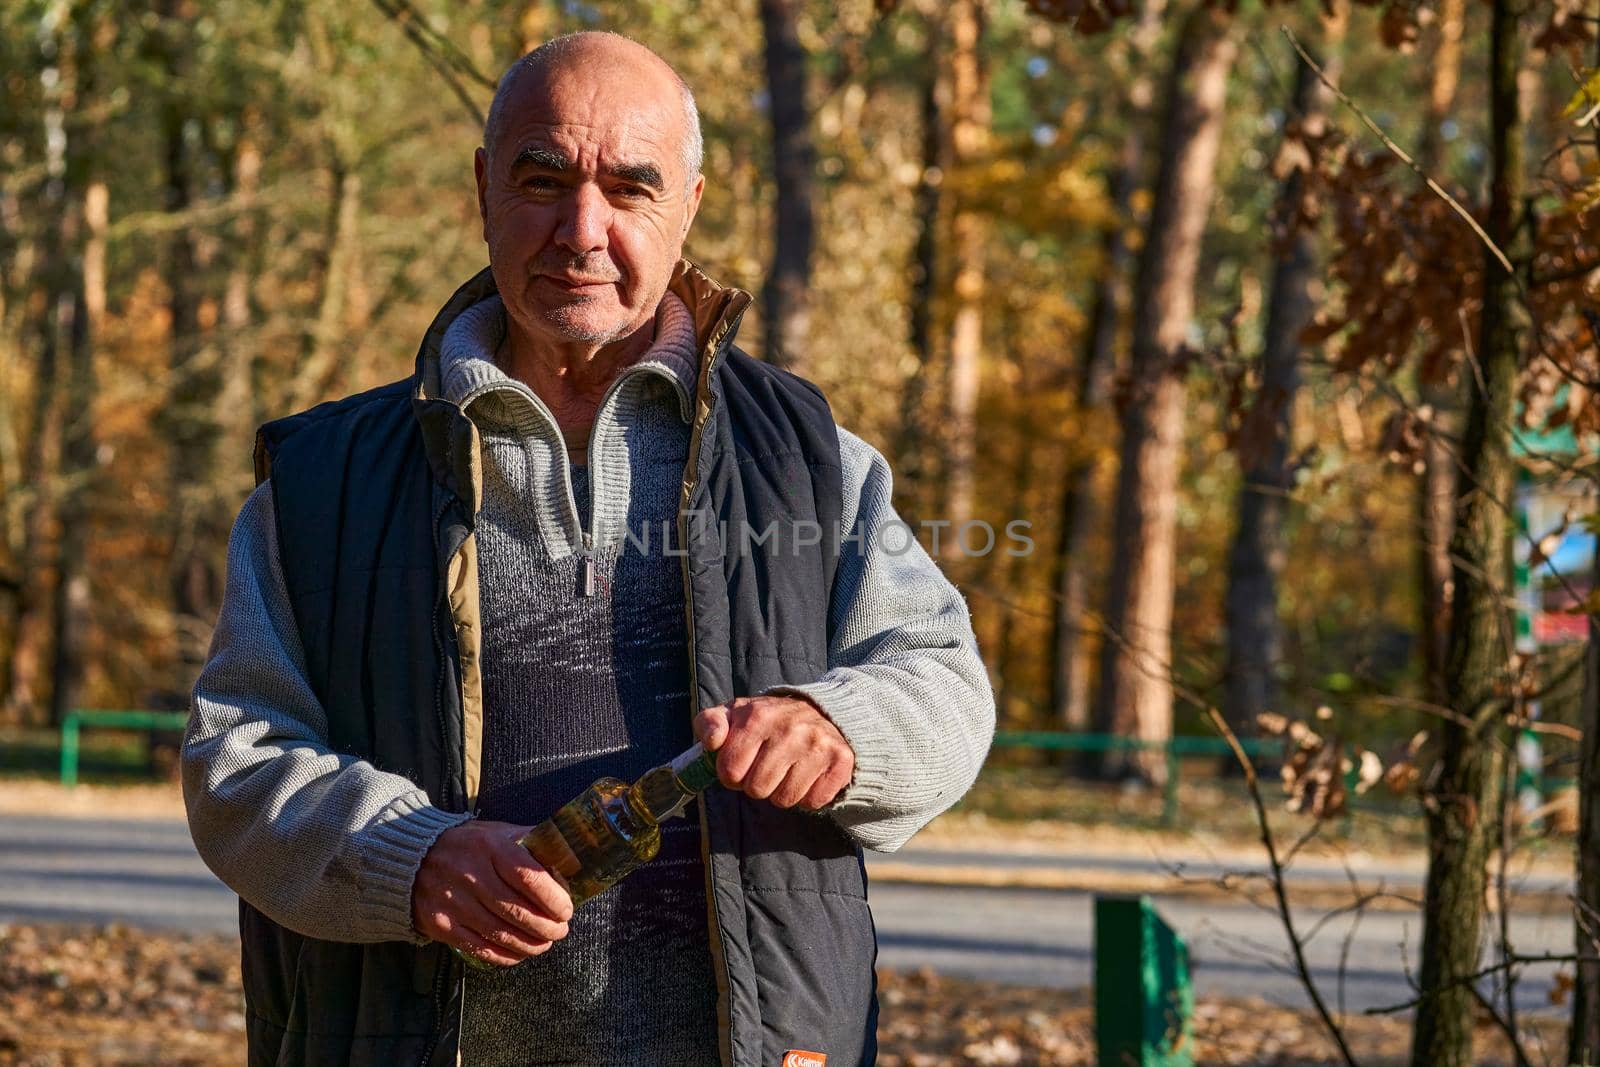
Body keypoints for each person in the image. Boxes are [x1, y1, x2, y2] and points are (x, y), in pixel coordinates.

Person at [182, 30, 994, 1067]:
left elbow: (945, 682)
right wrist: (410, 857)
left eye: (630, 187)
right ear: (482, 188)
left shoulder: (809, 460)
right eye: (542, 177)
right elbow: (233, 757)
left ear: (690, 204)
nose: (582, 228)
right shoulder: (321, 482)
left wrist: (838, 726)